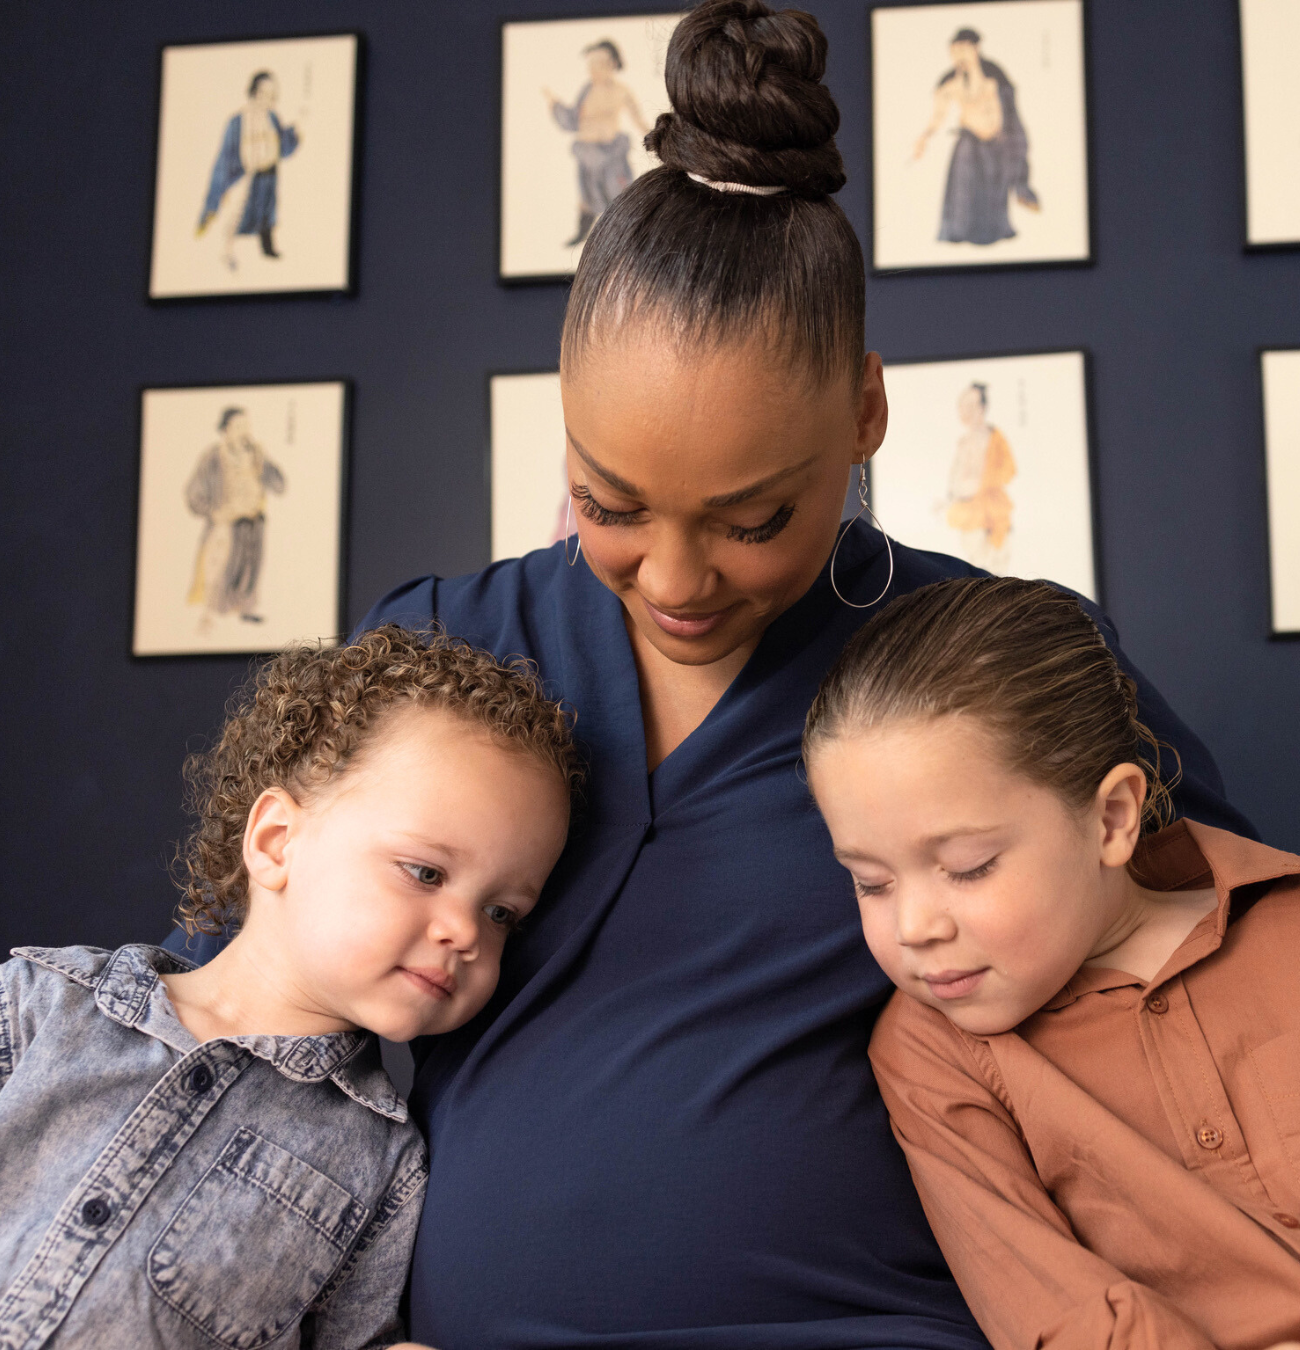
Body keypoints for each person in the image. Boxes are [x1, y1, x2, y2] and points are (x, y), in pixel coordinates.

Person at [176, 3, 1254, 1345]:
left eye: (753, 520)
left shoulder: (999, 663)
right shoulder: (448, 645)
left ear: (864, 414)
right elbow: (225, 1019)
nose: (676, 580)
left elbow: (1224, 990)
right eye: (609, 503)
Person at [0, 627, 575, 1347]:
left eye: (501, 913)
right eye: (426, 873)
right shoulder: (33, 1004)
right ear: (277, 842)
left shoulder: (382, 1162)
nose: (466, 932)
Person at [803, 576, 1300, 1349]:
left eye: (968, 867)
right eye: (870, 882)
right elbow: (1063, 1320)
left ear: (1111, 818)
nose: (914, 928)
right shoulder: (932, 1054)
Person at [913, 29, 1039, 246]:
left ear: (975, 48)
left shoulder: (994, 73)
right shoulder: (949, 81)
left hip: (996, 143)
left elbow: (1009, 110)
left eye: (964, 49)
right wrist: (924, 137)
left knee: (993, 192)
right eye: (954, 51)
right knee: (965, 194)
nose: (959, 55)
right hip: (969, 143)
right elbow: (938, 116)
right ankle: (961, 232)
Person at [185, 406, 286, 626]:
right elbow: (194, 494)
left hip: (253, 523)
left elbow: (279, 485)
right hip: (226, 525)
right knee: (221, 572)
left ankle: (246, 610)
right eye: (238, 426)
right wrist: (213, 512)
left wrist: (264, 461)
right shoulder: (213, 457)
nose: (244, 431)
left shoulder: (256, 455)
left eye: (246, 426)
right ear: (226, 429)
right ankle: (212, 618)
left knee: (250, 568)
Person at [543, 39, 648, 246]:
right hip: (587, 154)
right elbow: (572, 121)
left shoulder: (621, 91)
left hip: (611, 157)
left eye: (600, 63)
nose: (594, 69)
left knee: (618, 197)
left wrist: (657, 137)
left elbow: (639, 120)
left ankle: (629, 241)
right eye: (591, 64)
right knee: (587, 199)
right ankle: (583, 235)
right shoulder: (586, 90)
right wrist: (554, 104)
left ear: (613, 64)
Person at [197, 70, 301, 269]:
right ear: (254, 92)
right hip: (248, 177)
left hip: (269, 175)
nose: (268, 99)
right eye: (264, 93)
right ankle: (226, 255)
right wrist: (216, 195)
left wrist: (295, 133)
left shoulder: (272, 117)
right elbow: (225, 158)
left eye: (272, 95)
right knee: (236, 216)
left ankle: (267, 250)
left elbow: (282, 148)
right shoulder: (238, 121)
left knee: (268, 215)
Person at [942, 382, 1015, 571]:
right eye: (963, 405)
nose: (966, 411)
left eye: (971, 405)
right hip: (967, 515)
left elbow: (1008, 471)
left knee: (993, 570)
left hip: (990, 514)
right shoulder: (964, 441)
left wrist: (980, 485)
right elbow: (955, 479)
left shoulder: (994, 438)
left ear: (982, 407)